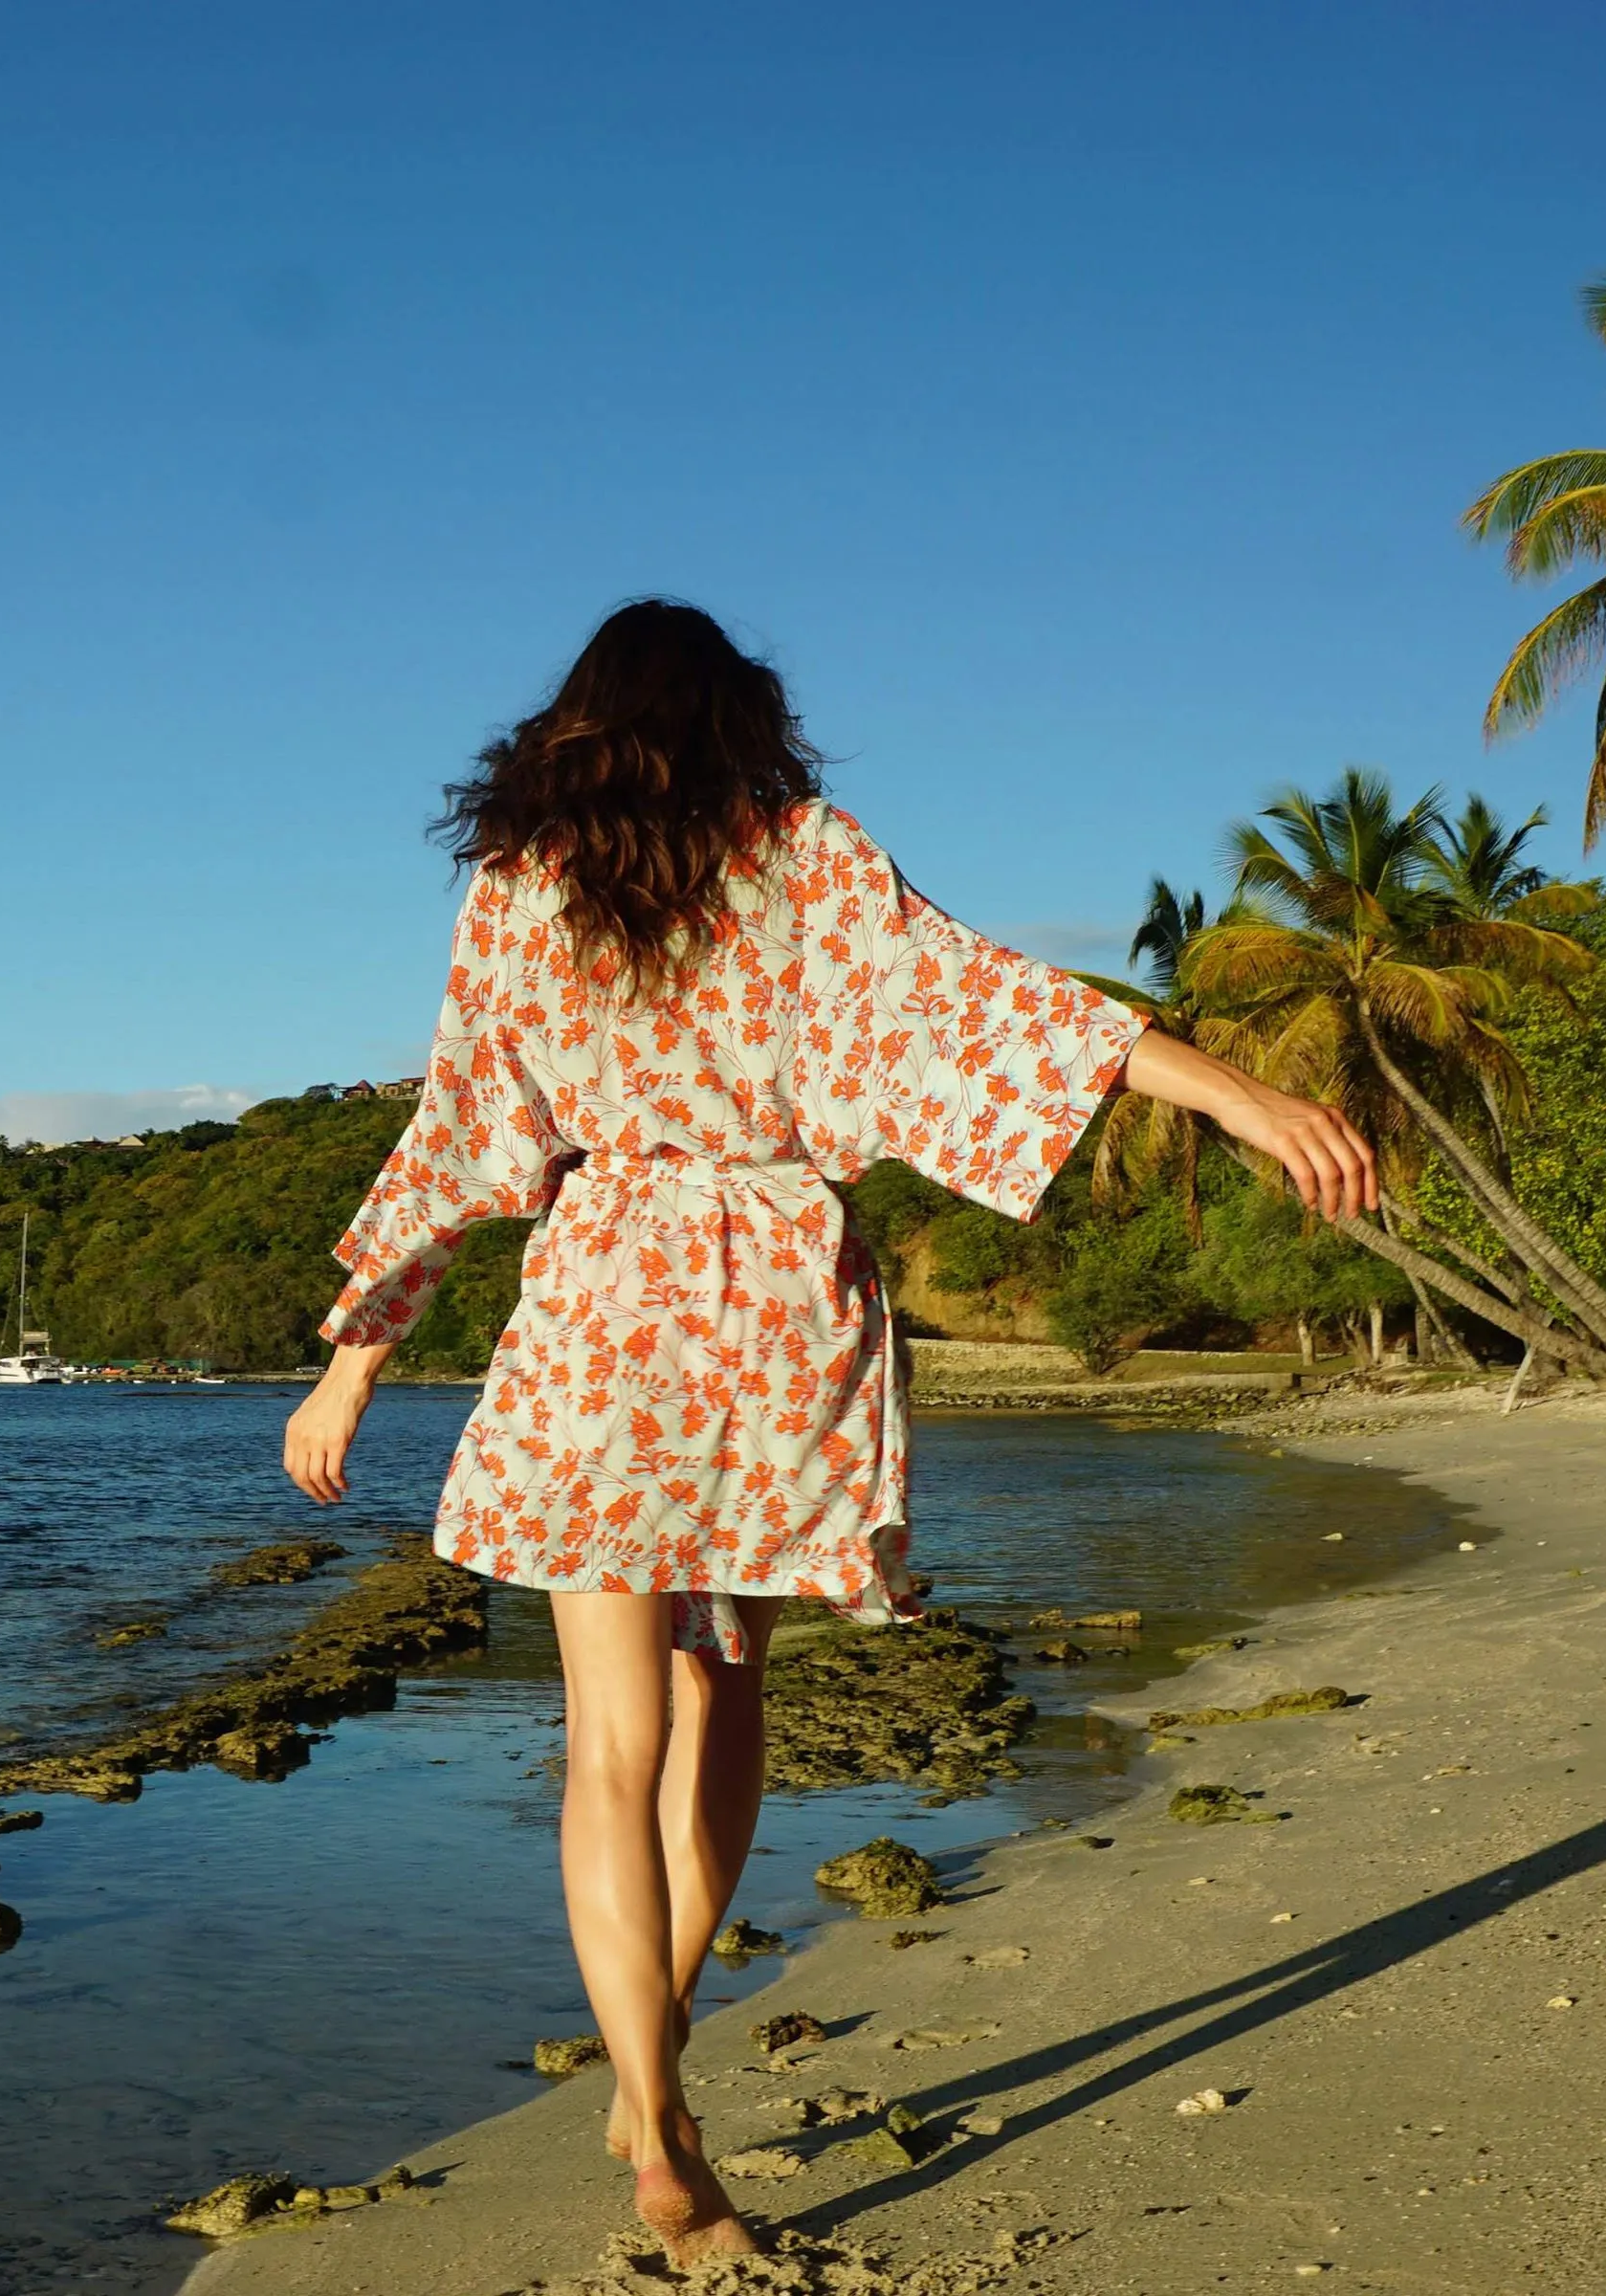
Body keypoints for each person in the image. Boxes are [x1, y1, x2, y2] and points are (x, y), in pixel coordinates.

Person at [283, 600, 1376, 2263]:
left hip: (602, 1309)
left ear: (571, 729)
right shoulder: (801, 857)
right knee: (726, 1685)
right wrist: (1232, 1090)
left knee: (607, 1744)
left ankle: (656, 2119)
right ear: (741, 721)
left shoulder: (517, 893)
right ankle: (653, 2075)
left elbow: (463, 1134)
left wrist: (356, 1354)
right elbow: (983, 1006)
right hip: (780, 1311)